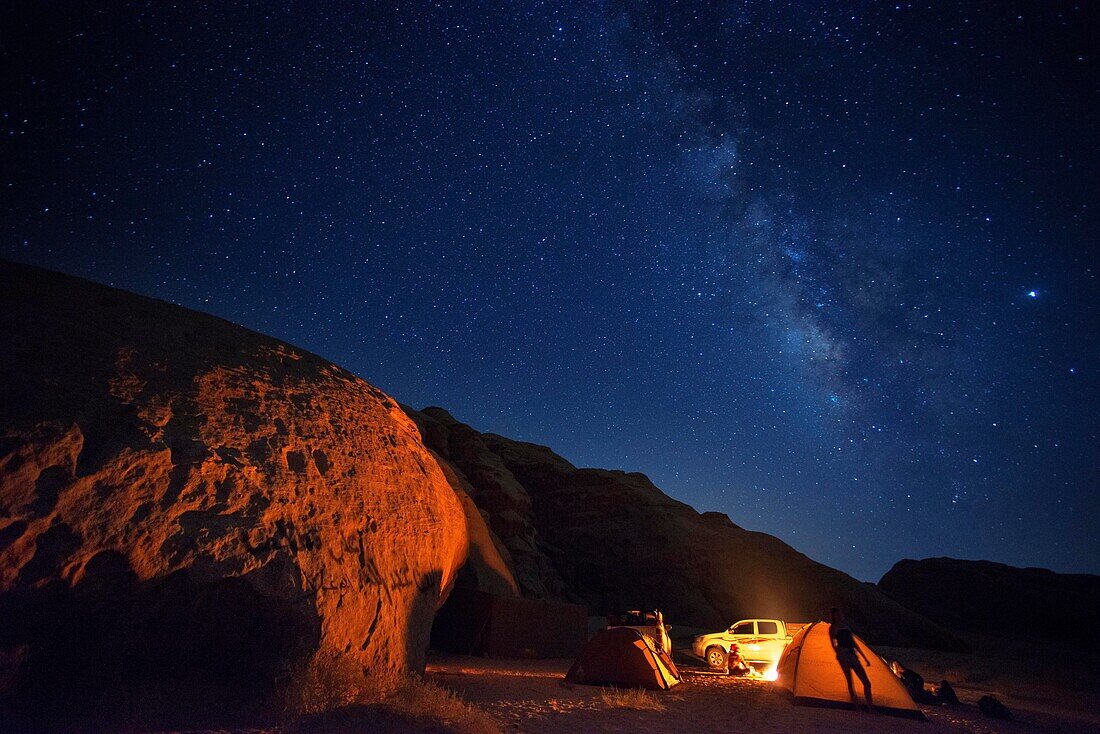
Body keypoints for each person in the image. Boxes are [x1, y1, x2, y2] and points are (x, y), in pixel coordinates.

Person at [830, 607, 873, 711]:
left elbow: (853, 642)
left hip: (852, 654)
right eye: (837, 614)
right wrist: (839, 654)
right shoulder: (833, 627)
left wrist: (864, 657)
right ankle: (857, 706)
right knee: (850, 681)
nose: (839, 615)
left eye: (840, 613)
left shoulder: (846, 626)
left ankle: (870, 706)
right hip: (843, 655)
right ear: (834, 616)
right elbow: (833, 644)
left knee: (867, 682)